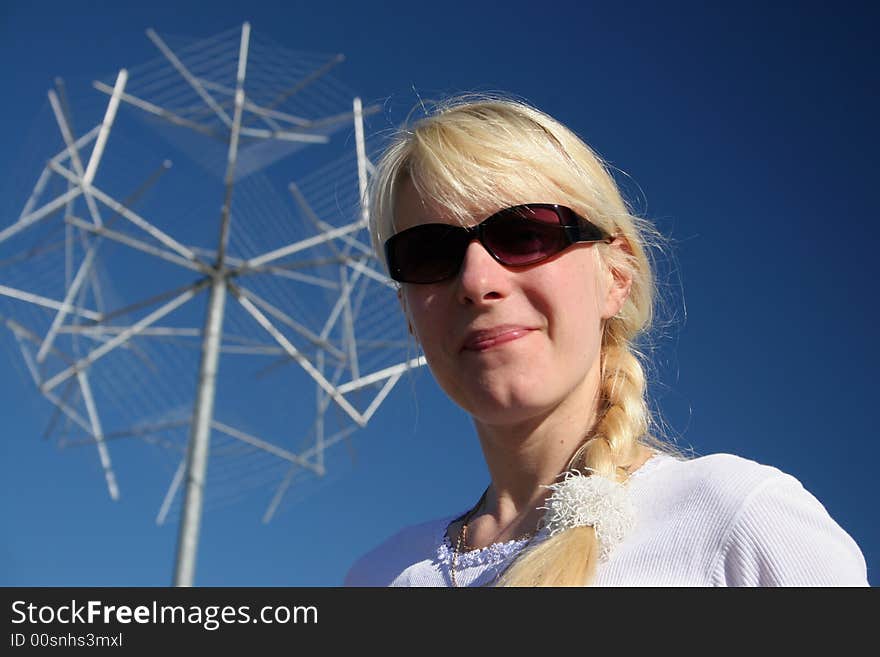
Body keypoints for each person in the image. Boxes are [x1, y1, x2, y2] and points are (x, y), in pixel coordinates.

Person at [343, 95, 868, 587]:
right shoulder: (378, 577)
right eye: (429, 254)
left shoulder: (736, 522)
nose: (478, 282)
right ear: (408, 313)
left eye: (524, 234)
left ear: (617, 278)